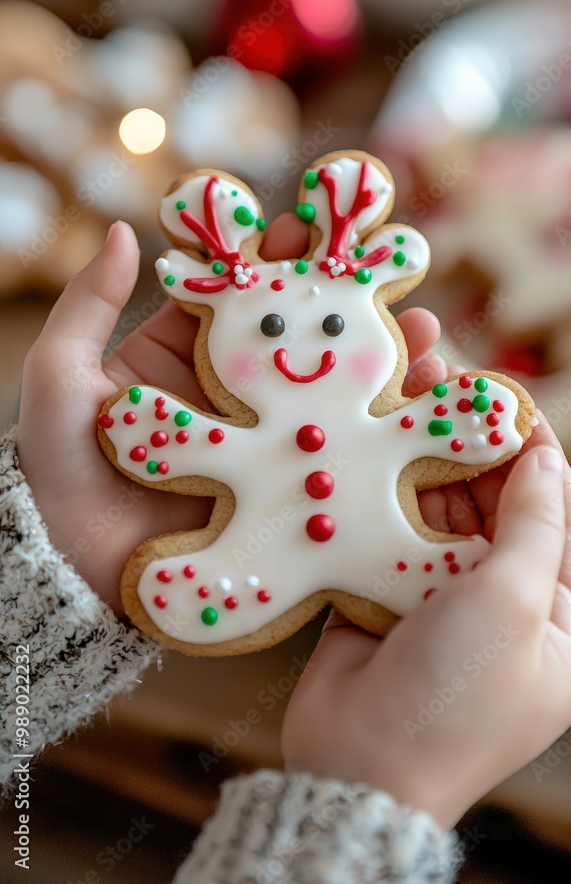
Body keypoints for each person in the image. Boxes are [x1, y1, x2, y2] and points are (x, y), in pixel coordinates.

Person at [2, 220, 571, 884]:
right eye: (268, 329)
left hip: (388, 559)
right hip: (258, 561)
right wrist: (380, 786)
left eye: (331, 328)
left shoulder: (375, 417)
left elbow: (420, 430)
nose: (302, 349)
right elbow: (197, 448)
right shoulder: (245, 424)